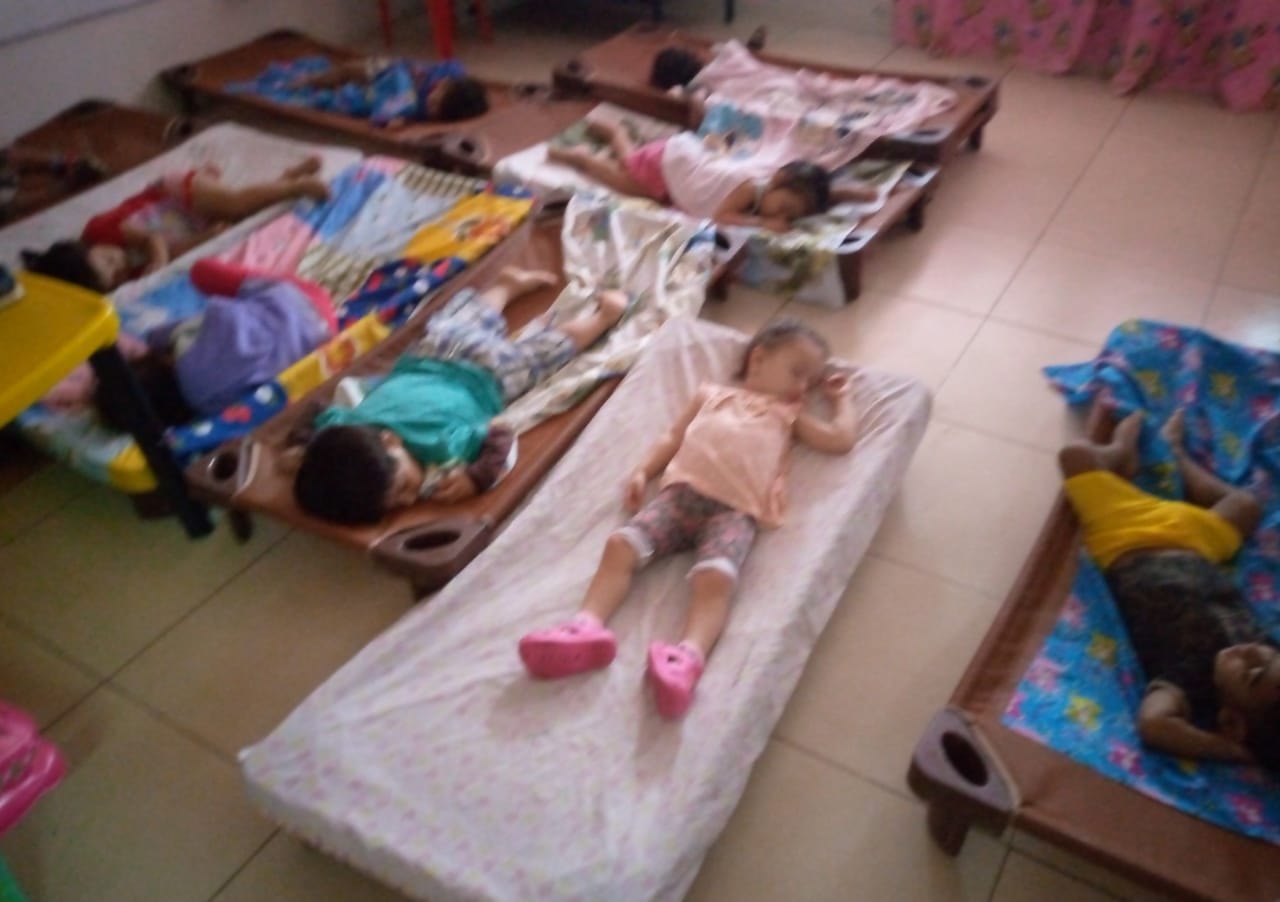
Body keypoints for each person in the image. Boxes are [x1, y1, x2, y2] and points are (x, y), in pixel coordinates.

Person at [518, 318, 859, 719]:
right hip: (679, 499)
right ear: (758, 358)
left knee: (716, 579)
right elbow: (671, 437)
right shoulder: (711, 396)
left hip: (734, 512)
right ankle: (585, 627)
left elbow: (840, 439)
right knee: (620, 544)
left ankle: (687, 658)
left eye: (811, 381)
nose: (803, 387)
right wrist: (643, 471)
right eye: (797, 372)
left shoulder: (788, 416)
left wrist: (841, 400)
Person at [291, 267, 627, 525]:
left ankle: (603, 317)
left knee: (546, 352)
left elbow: (500, 435)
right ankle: (506, 285)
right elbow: (318, 411)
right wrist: (303, 446)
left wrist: (474, 477)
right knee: (469, 318)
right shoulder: (350, 425)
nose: (409, 500)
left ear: (392, 441)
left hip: (490, 376)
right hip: (431, 352)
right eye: (395, 506)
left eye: (403, 487)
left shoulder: (442, 446)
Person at [1058, 408, 1280, 768]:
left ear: (1231, 722)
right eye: (1270, 657)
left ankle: (1118, 453)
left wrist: (1227, 749)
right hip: (1196, 544)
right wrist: (1263, 667)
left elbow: (1153, 724)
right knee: (1246, 505)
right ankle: (1175, 454)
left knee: (1074, 457)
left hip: (1127, 539)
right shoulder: (1262, 646)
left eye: (1252, 676)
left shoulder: (1191, 683)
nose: (1252, 652)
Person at [90, 258, 337, 430]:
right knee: (202, 271)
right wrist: (153, 341)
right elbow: (165, 332)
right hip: (298, 298)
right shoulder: (182, 344)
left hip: (324, 335)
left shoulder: (207, 406)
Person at [21, 158, 329, 293]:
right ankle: (288, 176)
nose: (119, 266)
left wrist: (158, 266)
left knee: (235, 202)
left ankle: (296, 186)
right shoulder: (127, 275)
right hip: (191, 223)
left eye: (108, 260)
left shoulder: (98, 230)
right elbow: (174, 251)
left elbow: (153, 241)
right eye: (113, 277)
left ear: (86, 248)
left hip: (176, 194)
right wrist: (205, 238)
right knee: (242, 219)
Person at [548, 120, 841, 232]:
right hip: (669, 166)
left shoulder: (776, 190)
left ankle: (617, 136)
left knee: (630, 166)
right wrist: (763, 223)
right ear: (776, 181)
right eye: (785, 208)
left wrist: (849, 194)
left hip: (682, 161)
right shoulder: (750, 190)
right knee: (628, 183)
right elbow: (722, 217)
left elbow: (817, 195)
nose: (782, 216)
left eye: (791, 216)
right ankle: (581, 158)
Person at [283, 57, 489, 126]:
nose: (430, 106)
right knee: (350, 70)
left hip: (383, 94)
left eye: (435, 111)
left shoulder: (421, 111)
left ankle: (335, 90)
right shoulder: (451, 73)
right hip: (389, 72)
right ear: (444, 85)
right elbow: (453, 68)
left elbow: (395, 113)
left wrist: (396, 121)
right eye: (435, 101)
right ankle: (311, 80)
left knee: (354, 96)